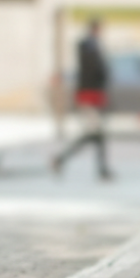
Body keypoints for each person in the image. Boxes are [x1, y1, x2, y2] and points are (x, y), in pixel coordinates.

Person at [51, 19, 112, 180]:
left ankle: (100, 169)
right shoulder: (86, 45)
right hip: (88, 96)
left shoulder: (93, 45)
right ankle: (61, 159)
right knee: (96, 134)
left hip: (93, 95)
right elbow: (93, 70)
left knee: (97, 135)